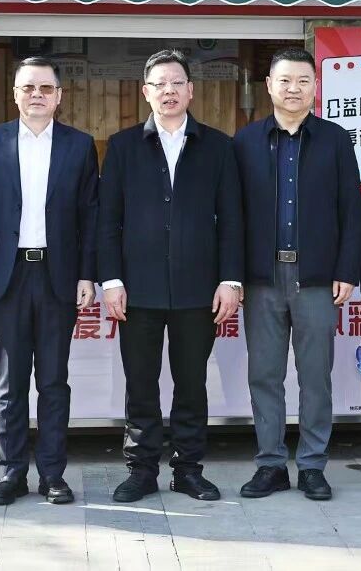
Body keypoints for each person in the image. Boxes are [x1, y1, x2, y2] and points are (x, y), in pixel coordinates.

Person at [97, 48, 244, 503]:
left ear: (191, 91)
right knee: (140, 384)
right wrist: (111, 280)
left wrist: (231, 280)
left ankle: (188, 470)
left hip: (198, 289)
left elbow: (233, 219)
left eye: (177, 83)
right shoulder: (123, 146)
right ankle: (141, 470)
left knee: (191, 384)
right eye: (159, 84)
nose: (169, 91)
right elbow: (107, 220)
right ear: (146, 92)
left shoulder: (217, 146)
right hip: (137, 290)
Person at [232, 47, 361, 501]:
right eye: (285, 80)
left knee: (315, 376)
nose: (293, 89)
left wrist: (346, 269)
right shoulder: (245, 142)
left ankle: (312, 465)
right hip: (262, 278)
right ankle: (270, 464)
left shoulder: (335, 140)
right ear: (269, 86)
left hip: (316, 279)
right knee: (264, 374)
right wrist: (234, 276)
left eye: (303, 81)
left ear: (315, 87)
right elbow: (232, 215)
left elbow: (352, 211)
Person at [0, 57, 99, 506]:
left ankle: (52, 474)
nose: (37, 95)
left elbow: (90, 216)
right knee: (11, 383)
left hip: (57, 274)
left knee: (53, 380)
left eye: (46, 88)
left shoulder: (79, 146)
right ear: (15, 94)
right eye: (28, 88)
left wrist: (87, 274)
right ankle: (12, 473)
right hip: (8, 274)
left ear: (59, 96)